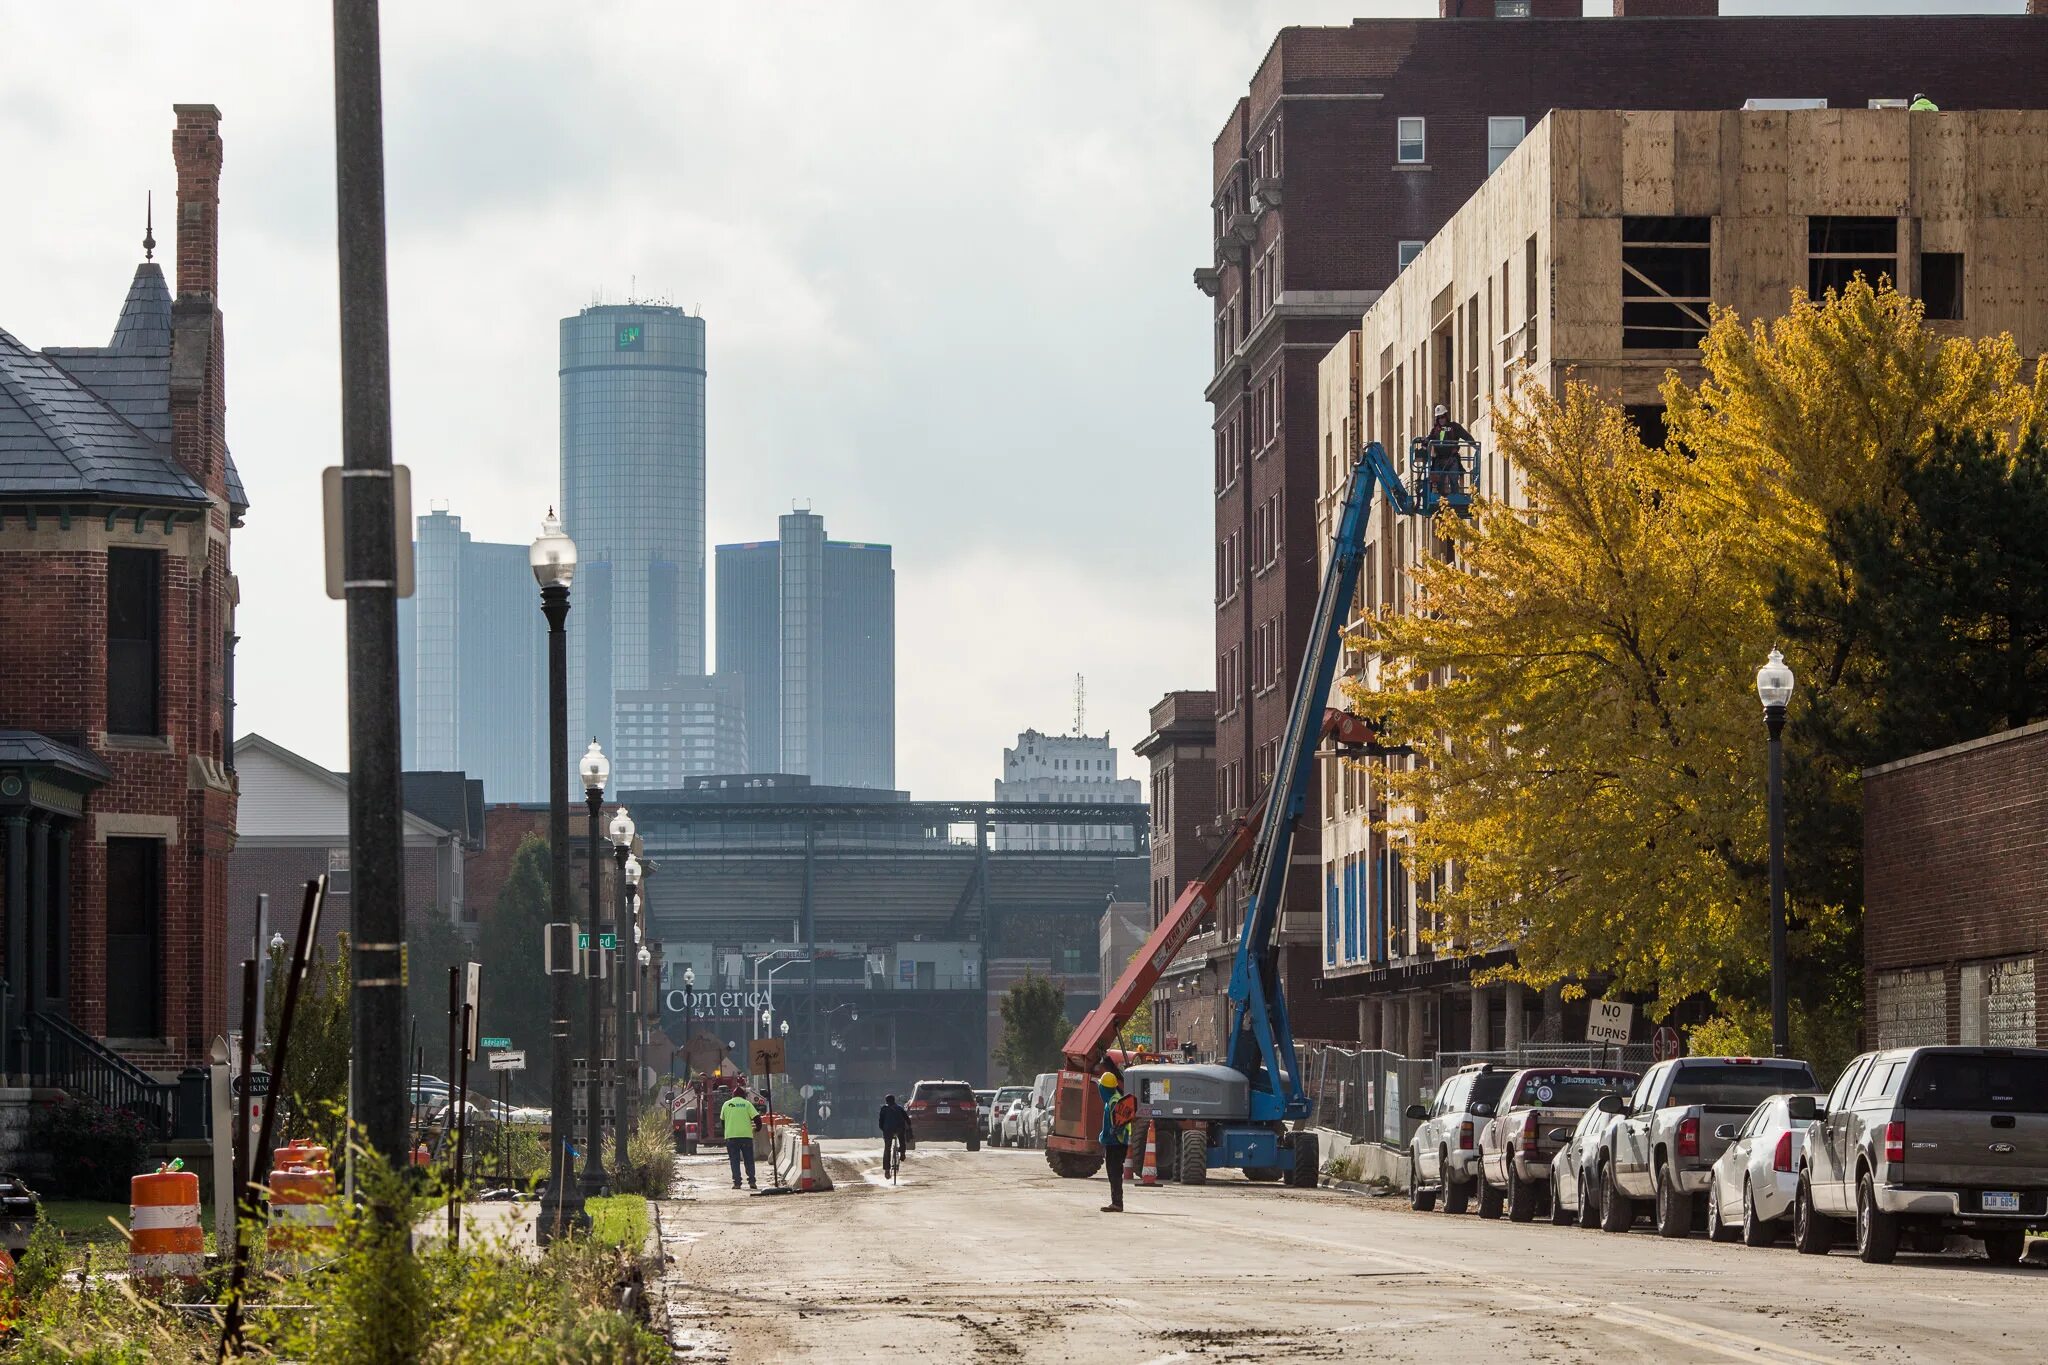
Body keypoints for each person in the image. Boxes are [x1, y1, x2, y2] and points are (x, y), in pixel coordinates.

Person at [1098, 1068, 1133, 1213]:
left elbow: (1119, 1123)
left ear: (1104, 1088)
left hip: (1116, 1143)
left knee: (1114, 1173)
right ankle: (1116, 1202)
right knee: (1113, 1173)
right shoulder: (1113, 1099)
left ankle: (1117, 1203)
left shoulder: (1114, 1101)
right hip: (1115, 1142)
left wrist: (1114, 1133)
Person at [1425, 404, 1475, 499]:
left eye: (1442, 417)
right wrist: (1424, 444)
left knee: (1453, 480)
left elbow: (1465, 435)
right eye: (1439, 418)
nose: (1441, 420)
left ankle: (1455, 497)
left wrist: (1474, 444)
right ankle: (1442, 499)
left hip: (1452, 459)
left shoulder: (1454, 427)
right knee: (1440, 482)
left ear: (1446, 416)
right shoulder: (1435, 430)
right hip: (1439, 460)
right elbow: (1429, 438)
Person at [720, 1085, 762, 1190]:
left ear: (733, 1095)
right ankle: (752, 1181)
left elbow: (722, 1121)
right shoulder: (747, 1104)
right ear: (744, 1096)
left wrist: (727, 1131)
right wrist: (758, 1128)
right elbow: (757, 1118)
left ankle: (737, 1183)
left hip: (731, 1137)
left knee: (734, 1160)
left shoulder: (726, 1104)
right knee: (748, 1160)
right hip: (746, 1136)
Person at [878, 1093, 912, 1179]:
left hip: (888, 1131)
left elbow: (880, 1123)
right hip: (899, 1129)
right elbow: (907, 1119)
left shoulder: (883, 1109)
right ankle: (903, 1153)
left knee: (887, 1149)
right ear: (894, 1100)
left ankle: (886, 1170)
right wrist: (909, 1127)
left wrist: (884, 1130)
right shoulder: (899, 1108)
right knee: (901, 1138)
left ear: (886, 1101)